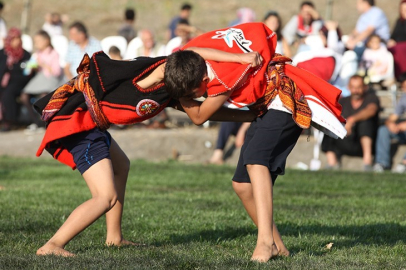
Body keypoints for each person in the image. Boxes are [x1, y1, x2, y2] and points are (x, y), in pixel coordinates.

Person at [33, 47, 257, 257]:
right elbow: (198, 112)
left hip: (92, 126)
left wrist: (240, 63)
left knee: (121, 166)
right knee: (105, 197)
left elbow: (195, 63)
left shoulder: (173, 74)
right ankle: (53, 245)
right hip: (78, 127)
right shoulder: (153, 78)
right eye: (198, 90)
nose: (205, 90)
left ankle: (114, 238)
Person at [164, 22, 346, 262]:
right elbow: (196, 51)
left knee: (256, 160)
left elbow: (199, 115)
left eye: (193, 94)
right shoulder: (190, 59)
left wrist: (175, 100)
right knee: (242, 185)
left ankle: (265, 242)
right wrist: (239, 56)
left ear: (203, 79)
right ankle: (279, 247)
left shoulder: (223, 79)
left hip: (282, 100)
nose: (193, 98)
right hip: (264, 107)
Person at [322, 75, 380, 171]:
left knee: (366, 123)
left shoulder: (372, 98)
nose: (356, 91)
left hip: (363, 143)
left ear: (364, 87)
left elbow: (371, 110)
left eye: (358, 87)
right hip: (344, 140)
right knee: (329, 124)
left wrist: (352, 120)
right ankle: (332, 162)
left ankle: (367, 162)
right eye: (353, 87)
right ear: (348, 88)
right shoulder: (343, 101)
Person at [20, 30, 62, 132]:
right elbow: (28, 71)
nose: (36, 43)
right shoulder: (37, 54)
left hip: (51, 80)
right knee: (24, 96)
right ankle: (35, 121)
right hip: (39, 79)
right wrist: (33, 67)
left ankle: (44, 121)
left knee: (43, 96)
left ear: (46, 41)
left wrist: (42, 64)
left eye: (38, 41)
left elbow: (56, 72)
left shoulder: (53, 53)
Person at [0, 28, 31, 131]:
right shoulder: (3, 54)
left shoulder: (25, 54)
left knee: (8, 94)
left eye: (18, 38)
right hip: (3, 81)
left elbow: (26, 73)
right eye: (14, 39)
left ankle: (9, 121)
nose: (17, 41)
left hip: (19, 82)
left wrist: (13, 68)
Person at [373, 74, 406, 172]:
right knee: (384, 130)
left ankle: (404, 163)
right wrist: (390, 124)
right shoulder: (404, 98)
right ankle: (382, 163)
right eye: (403, 87)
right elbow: (391, 118)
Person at [387, 0, 406, 80]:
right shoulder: (399, 21)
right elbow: (393, 35)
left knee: (398, 49)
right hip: (396, 45)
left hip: (402, 46)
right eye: (402, 10)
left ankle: (401, 75)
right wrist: (391, 40)